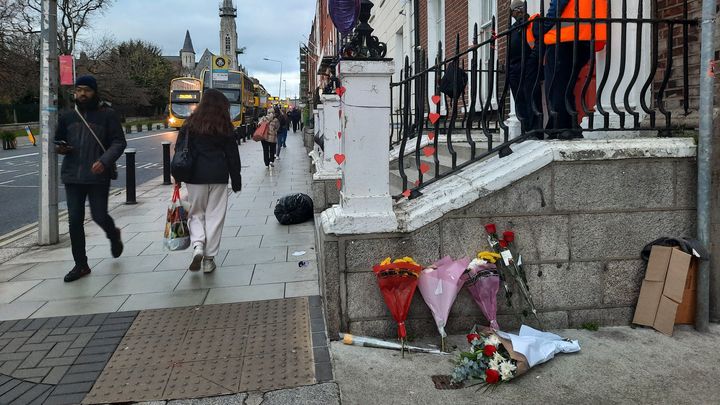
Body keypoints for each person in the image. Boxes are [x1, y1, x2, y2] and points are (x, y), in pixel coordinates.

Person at [54, 75, 126, 282]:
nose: (82, 94)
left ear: (95, 92)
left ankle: (114, 234)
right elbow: (58, 140)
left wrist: (104, 161)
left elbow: (119, 142)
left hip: (97, 175)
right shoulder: (67, 117)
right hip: (72, 175)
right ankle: (81, 265)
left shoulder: (107, 115)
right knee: (74, 220)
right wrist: (60, 147)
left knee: (99, 216)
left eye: (86, 90)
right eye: (78, 90)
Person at [175, 89, 242, 273]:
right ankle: (209, 259)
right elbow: (232, 155)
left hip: (195, 176)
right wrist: (236, 179)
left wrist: (177, 176)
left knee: (195, 213)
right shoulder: (225, 125)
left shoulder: (190, 123)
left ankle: (197, 245)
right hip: (219, 176)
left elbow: (180, 150)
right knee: (215, 216)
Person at [541, 0, 607, 139]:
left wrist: (545, 27)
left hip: (564, 37)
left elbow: (558, 4)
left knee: (556, 85)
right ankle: (569, 126)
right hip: (586, 37)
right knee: (566, 85)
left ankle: (561, 127)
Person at [508, 0, 543, 138]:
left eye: (513, 12)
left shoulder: (533, 22)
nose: (513, 15)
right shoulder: (512, 27)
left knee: (531, 97)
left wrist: (532, 60)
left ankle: (535, 131)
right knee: (519, 99)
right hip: (514, 67)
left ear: (520, 10)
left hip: (528, 65)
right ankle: (526, 130)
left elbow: (539, 42)